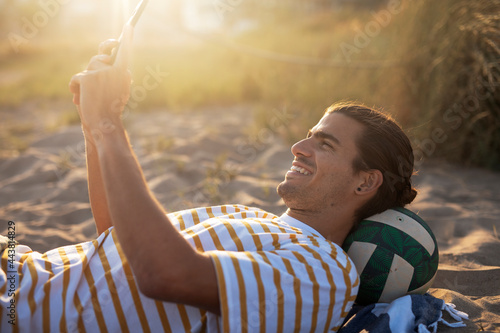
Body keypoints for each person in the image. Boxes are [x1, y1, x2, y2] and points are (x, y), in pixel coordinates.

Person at [0, 27, 417, 332]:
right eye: (308, 135)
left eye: (325, 144)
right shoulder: (254, 217)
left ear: (365, 183)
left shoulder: (326, 271)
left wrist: (107, 124)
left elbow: (165, 275)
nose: (298, 147)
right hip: (20, 264)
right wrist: (94, 123)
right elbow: (120, 240)